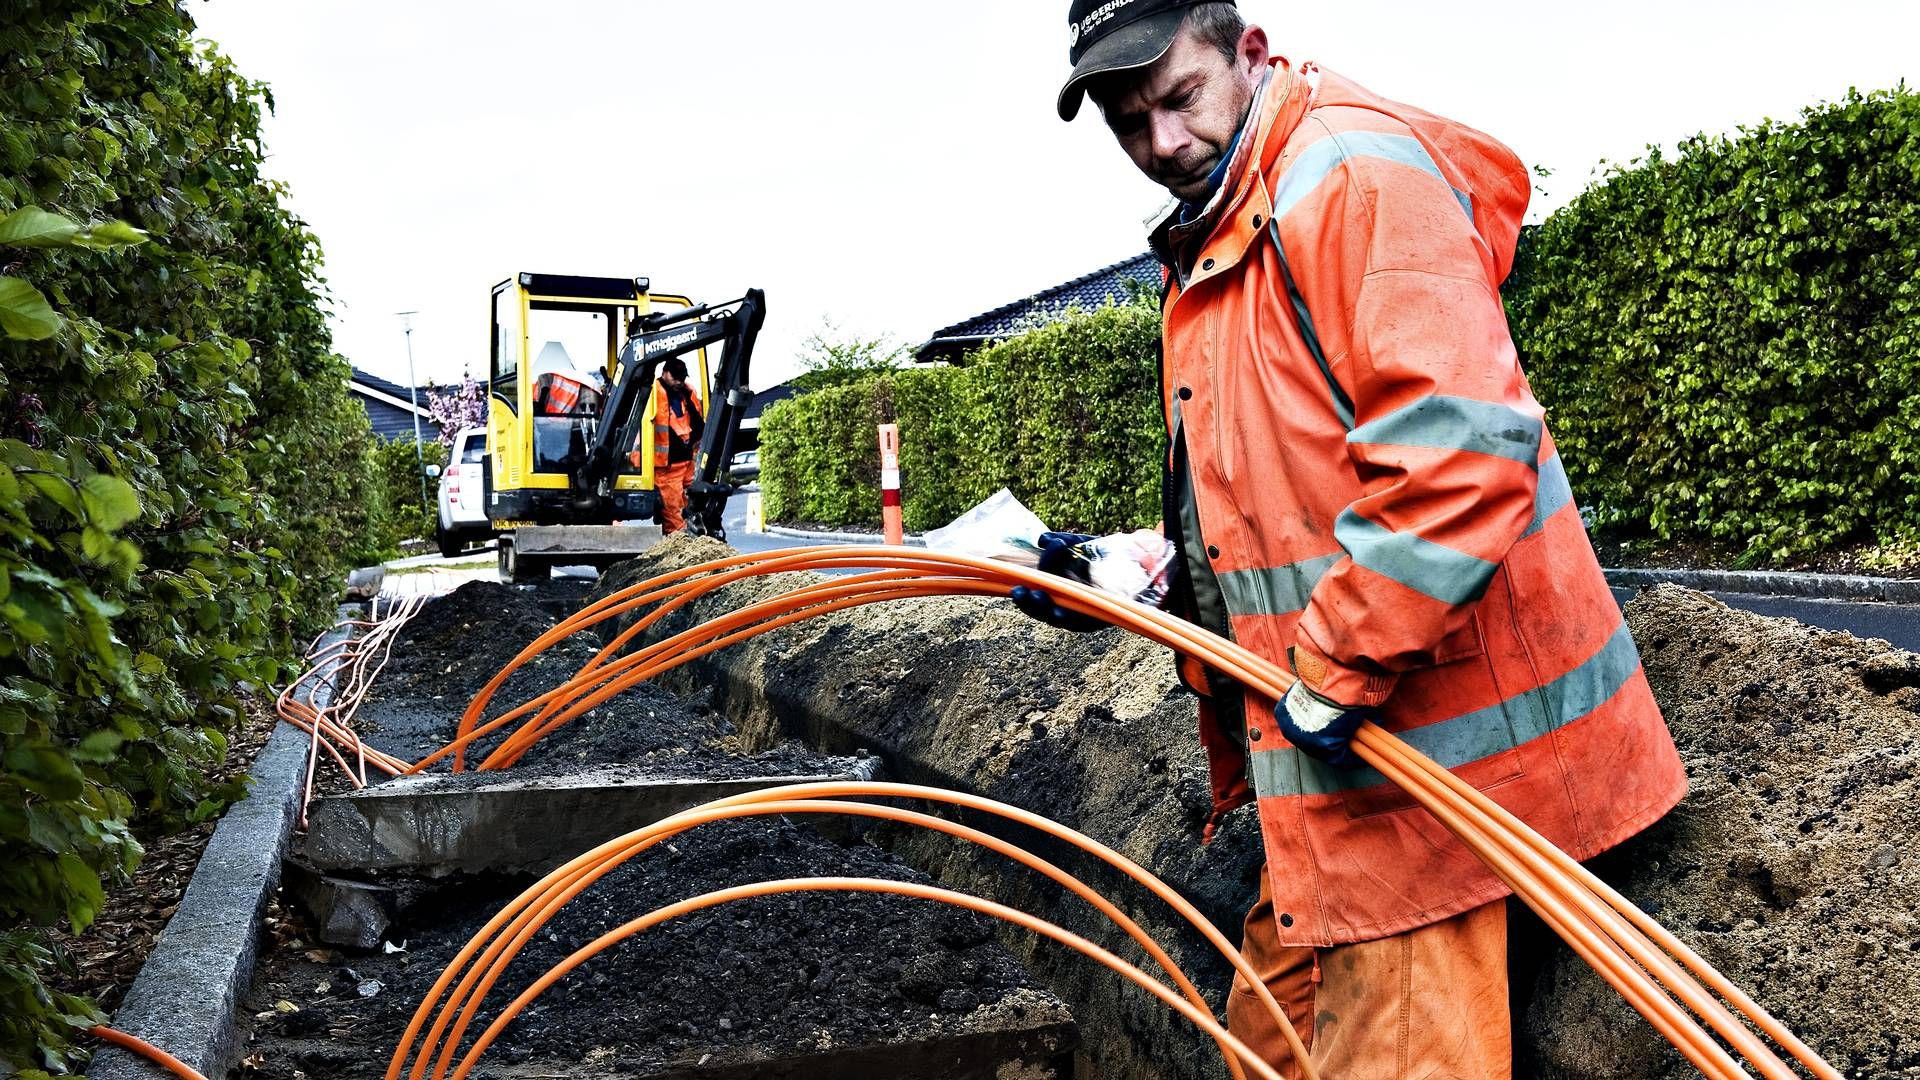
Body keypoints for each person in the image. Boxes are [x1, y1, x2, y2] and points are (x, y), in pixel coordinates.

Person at [1020, 2, 1689, 1075]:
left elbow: (1459, 458)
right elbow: (1276, 481)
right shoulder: (1228, 221)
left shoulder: (1346, 181)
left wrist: (1333, 666)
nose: (1164, 143)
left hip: (1432, 784)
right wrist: (1156, 566)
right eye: (1131, 123)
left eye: (1181, 98)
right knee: (1265, 1048)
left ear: (1247, 52)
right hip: (1332, 777)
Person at [641, 356, 704, 534]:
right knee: (673, 509)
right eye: (675, 377)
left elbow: (694, 423)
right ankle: (678, 543)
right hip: (666, 464)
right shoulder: (653, 392)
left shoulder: (687, 393)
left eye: (682, 378)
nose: (679, 382)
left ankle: (689, 538)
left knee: (690, 503)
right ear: (664, 373)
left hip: (686, 460)